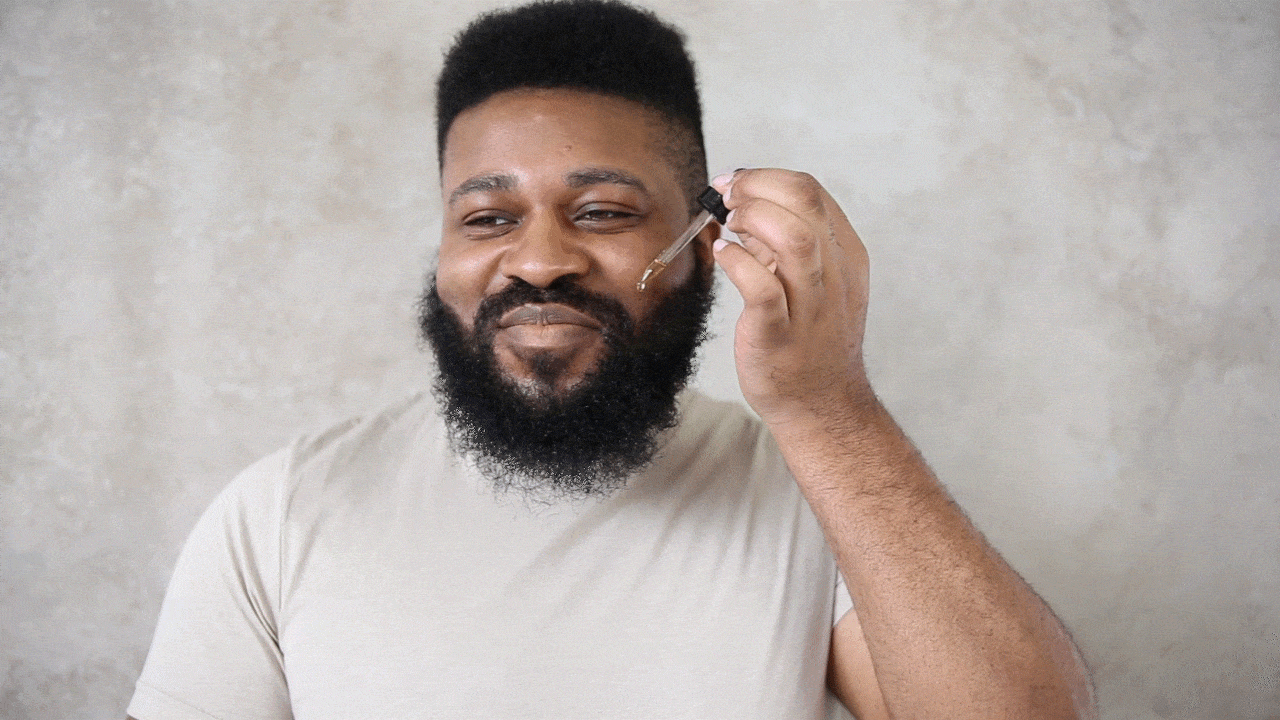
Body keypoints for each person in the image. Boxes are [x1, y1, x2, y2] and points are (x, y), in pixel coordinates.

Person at [127, 1, 1097, 718]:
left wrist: (828, 405)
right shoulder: (280, 514)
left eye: (601, 212)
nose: (539, 260)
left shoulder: (815, 494)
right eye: (487, 218)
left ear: (703, 244)